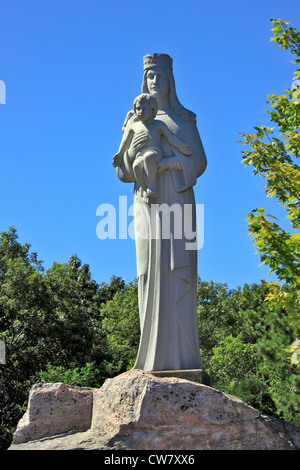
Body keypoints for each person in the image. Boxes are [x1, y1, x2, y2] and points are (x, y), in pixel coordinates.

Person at [115, 53, 207, 372]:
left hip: (178, 199)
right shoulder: (134, 119)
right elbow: (122, 173)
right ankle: (150, 358)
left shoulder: (184, 119)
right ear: (145, 81)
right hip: (146, 200)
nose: (156, 81)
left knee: (177, 272)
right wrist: (134, 161)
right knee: (147, 272)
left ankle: (183, 359)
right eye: (150, 76)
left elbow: (199, 162)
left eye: (162, 75)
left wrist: (168, 164)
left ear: (171, 80)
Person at [113, 93, 192, 199]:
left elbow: (171, 137)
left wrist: (180, 146)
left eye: (144, 108)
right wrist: (120, 154)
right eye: (138, 109)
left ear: (153, 109)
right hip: (139, 154)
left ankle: (152, 185)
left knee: (148, 158)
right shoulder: (133, 126)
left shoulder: (158, 124)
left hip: (154, 152)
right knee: (136, 165)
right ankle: (144, 188)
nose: (141, 112)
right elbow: (125, 141)